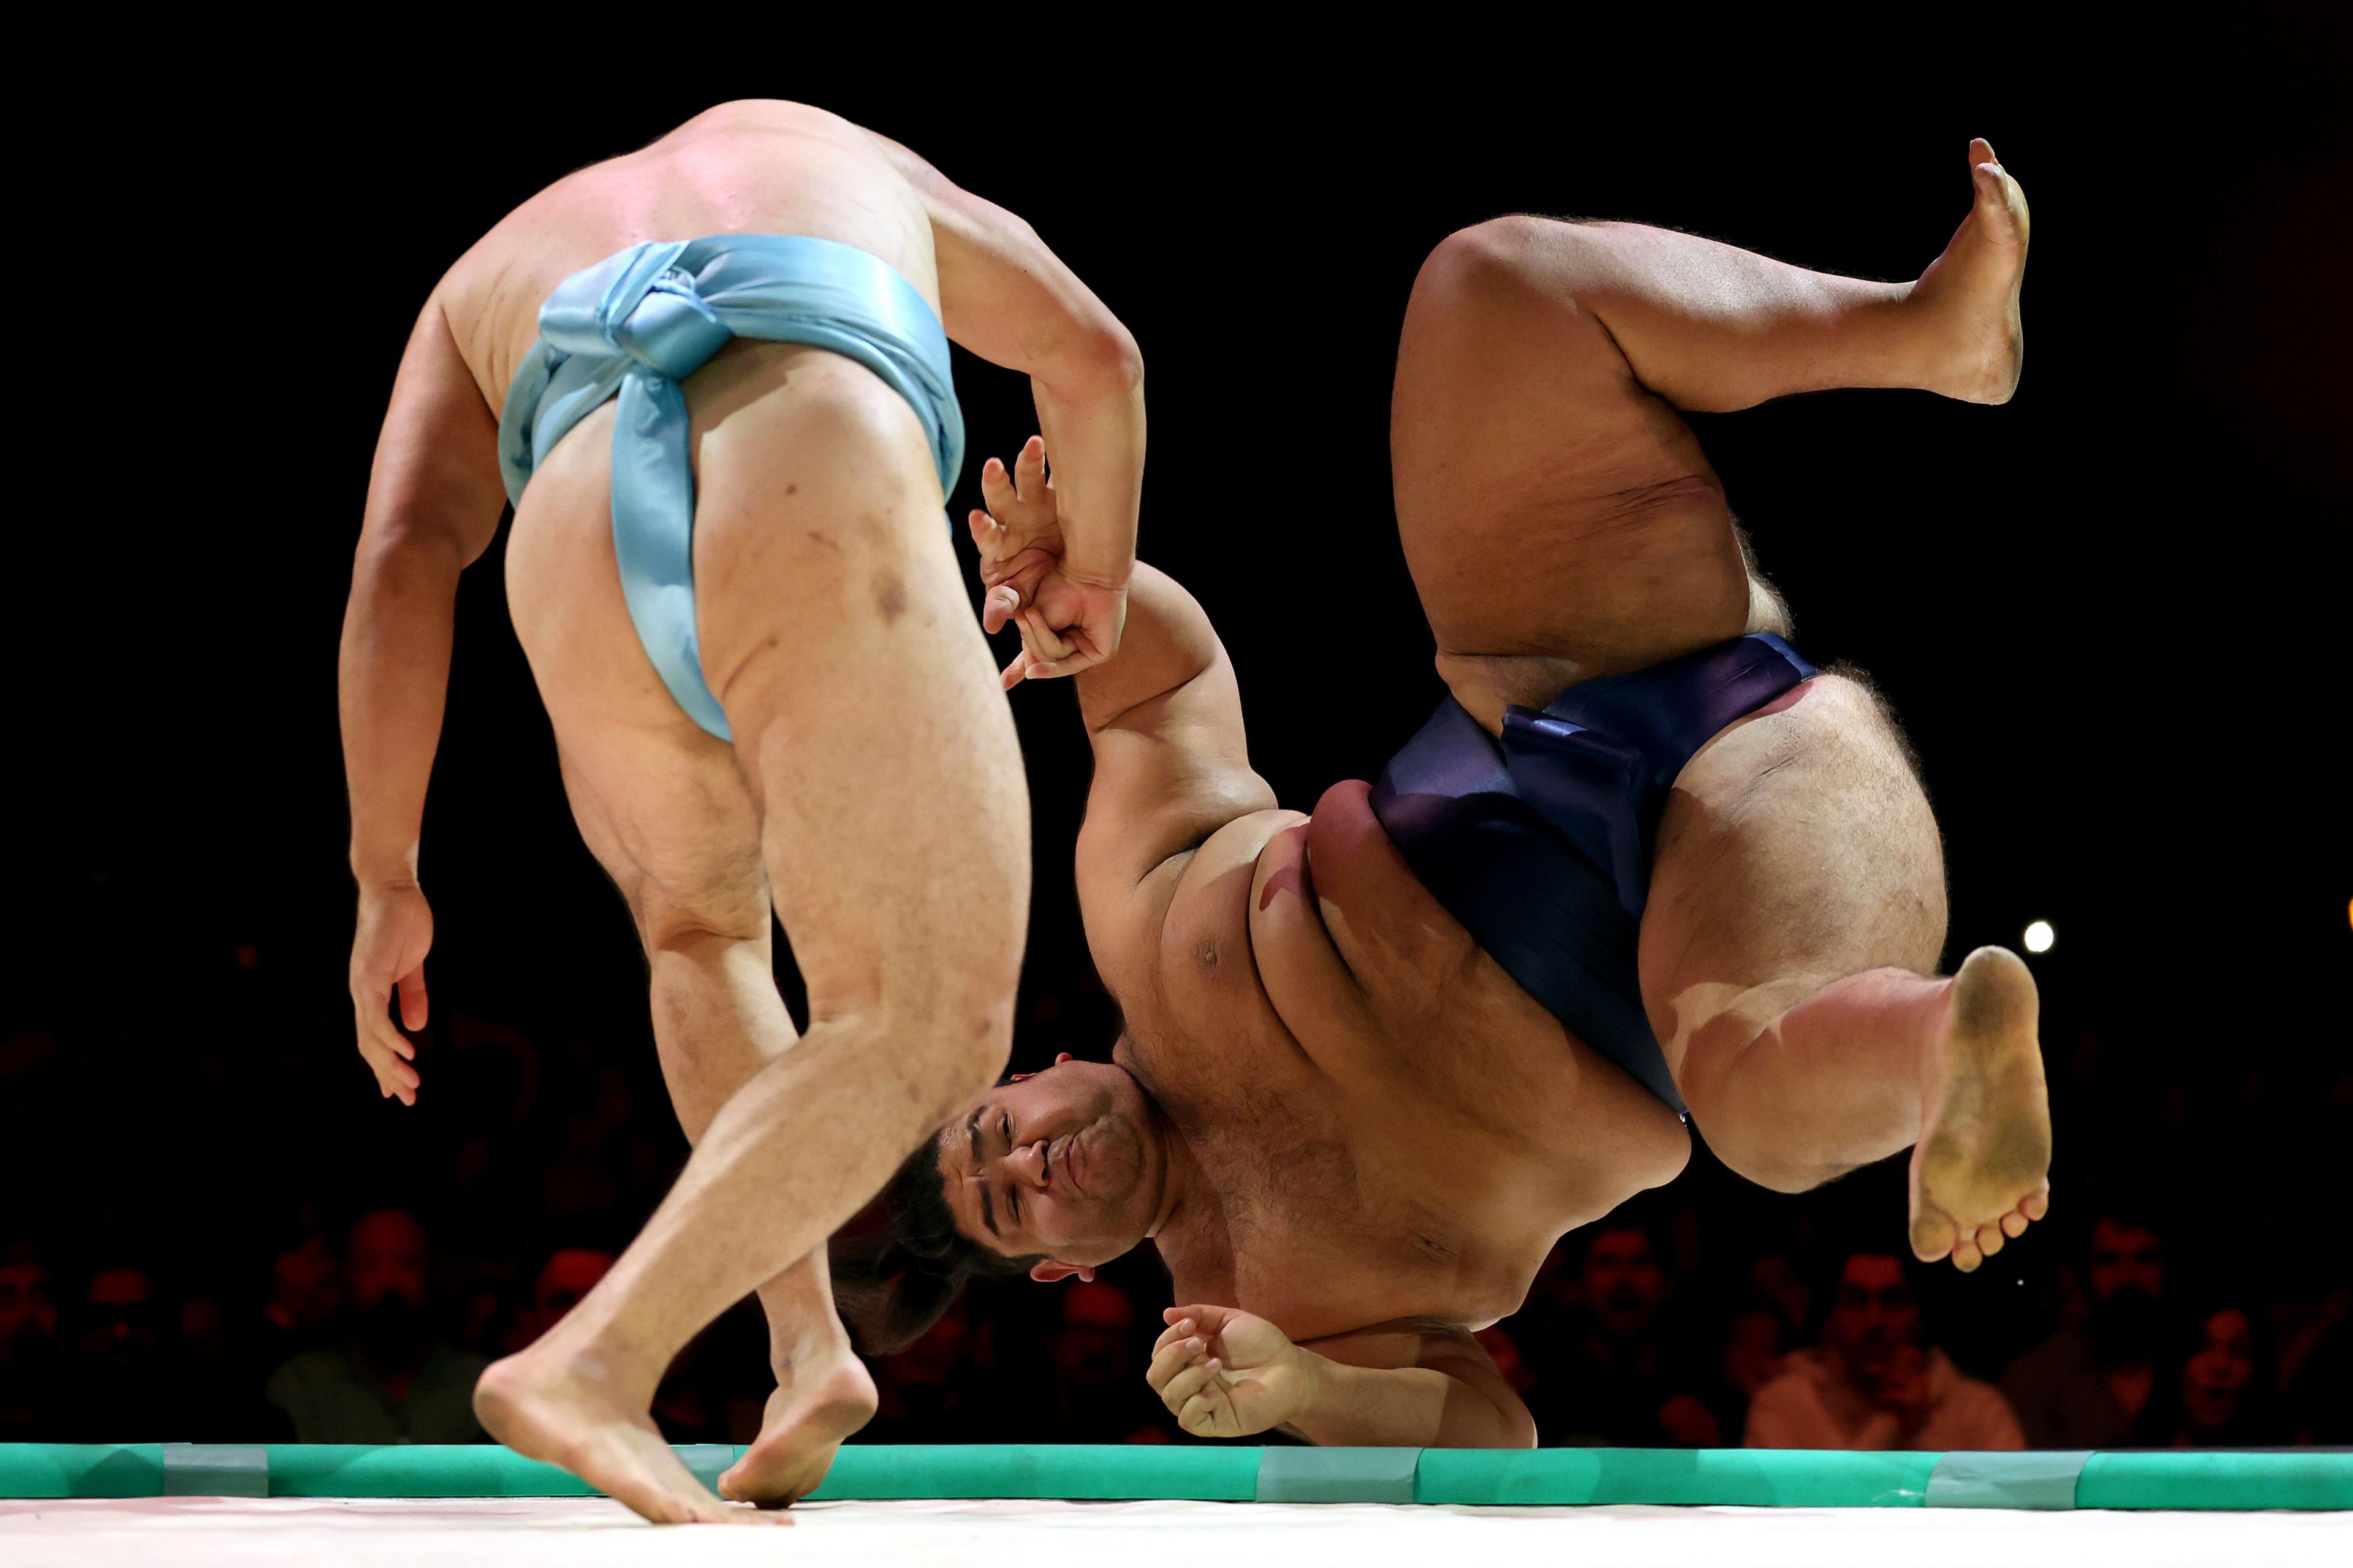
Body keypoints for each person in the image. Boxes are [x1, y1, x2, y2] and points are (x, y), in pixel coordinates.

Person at [874, 139, 2052, 1447]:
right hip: (1721, 918)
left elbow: (1158, 692)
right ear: (1061, 1269)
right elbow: (1492, 1430)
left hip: (1564, 677)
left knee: (1488, 294)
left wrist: (1087, 586)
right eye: (1012, 1201)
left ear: (1033, 1071)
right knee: (1755, 1107)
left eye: (1000, 1133)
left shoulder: (1137, 927)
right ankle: (1942, 1041)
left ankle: (1927, 329)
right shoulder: (1258, 1305)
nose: (1032, 1162)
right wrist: (1313, 1388)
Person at [338, 99, 1143, 1518]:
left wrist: (383, 870)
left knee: (700, 933)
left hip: (569, 538)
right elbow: (1096, 357)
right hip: (808, 446)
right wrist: (1095, 571)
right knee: (922, 1024)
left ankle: (805, 1348)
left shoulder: (479, 272)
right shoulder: (839, 149)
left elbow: (406, 554)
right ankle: (597, 1358)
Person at [1743, 1250, 2021, 1451]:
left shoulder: (1981, 1412)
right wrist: (1890, 1424)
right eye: (1856, 1301)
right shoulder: (1782, 1405)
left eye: (1893, 1302)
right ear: (1832, 1314)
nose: (1874, 1321)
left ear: (1921, 1313)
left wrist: (1917, 1428)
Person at [264, 1210, 488, 1444]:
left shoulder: (483, 1388)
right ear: (345, 1275)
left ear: (431, 1273)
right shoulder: (301, 1387)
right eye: (370, 1265)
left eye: (408, 1263)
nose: (389, 1280)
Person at [1517, 1224, 1722, 1447]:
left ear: (1665, 1284)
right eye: (1607, 1263)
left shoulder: (1700, 1377)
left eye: (1640, 1262)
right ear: (1580, 1285)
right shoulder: (1547, 1386)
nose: (1624, 1278)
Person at [2001, 1211, 2168, 1447]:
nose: (2128, 1276)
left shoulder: (2201, 1361)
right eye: (2109, 1260)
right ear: (2084, 1274)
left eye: (2145, 1258)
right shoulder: (2037, 1377)